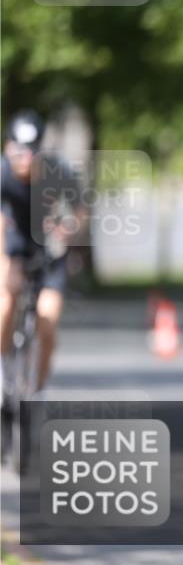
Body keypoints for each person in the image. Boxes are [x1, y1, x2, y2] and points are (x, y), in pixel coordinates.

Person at [1, 110, 82, 409]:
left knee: (48, 321)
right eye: (18, 151)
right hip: (14, 245)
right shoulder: (2, 175)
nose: (25, 159)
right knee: (7, 300)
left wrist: (68, 229)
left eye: (31, 152)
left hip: (49, 249)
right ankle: (1, 368)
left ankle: (38, 388)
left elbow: (79, 208)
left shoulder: (56, 171)